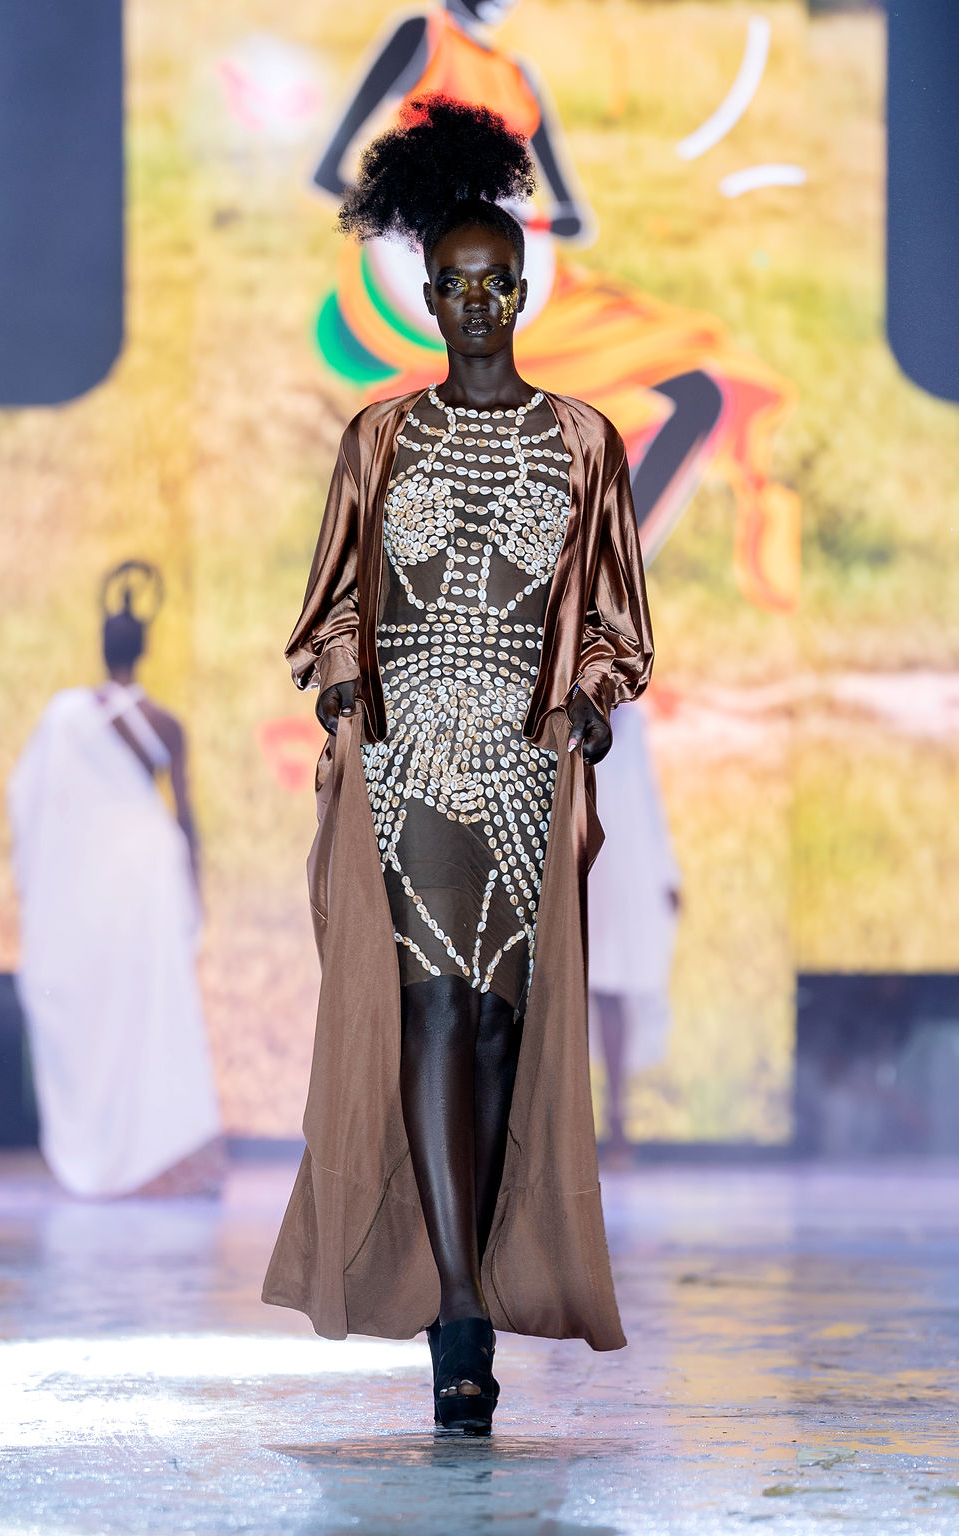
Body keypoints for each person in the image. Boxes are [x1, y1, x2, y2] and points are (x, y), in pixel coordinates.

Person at [262, 99, 653, 1434]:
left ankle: (465, 1267)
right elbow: (329, 606)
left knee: (496, 1025)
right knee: (431, 1006)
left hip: (529, 770)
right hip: (411, 758)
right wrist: (345, 679)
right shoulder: (377, 439)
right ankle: (460, 1316)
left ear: (523, 290)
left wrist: (589, 702)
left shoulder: (586, 442)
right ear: (426, 296)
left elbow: (617, 627)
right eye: (455, 285)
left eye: (497, 283)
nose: (477, 305)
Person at [311, 0, 800, 613]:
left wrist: (532, 218)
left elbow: (573, 217)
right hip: (434, 303)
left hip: (534, 296)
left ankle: (597, 595)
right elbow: (328, 173)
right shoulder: (424, 37)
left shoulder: (518, 78)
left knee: (700, 389)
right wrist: (406, 221)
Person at [8, 561, 225, 1199]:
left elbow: (31, 799)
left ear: (103, 646)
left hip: (99, 885)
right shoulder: (164, 723)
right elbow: (185, 818)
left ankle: (108, 1146)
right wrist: (194, 886)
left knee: (109, 1005)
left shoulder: (66, 716)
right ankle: (155, 1154)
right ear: (144, 647)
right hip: (150, 879)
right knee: (149, 1008)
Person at [588, 700, 681, 1166]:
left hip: (623, 866)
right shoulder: (559, 701)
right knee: (573, 995)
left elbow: (647, 798)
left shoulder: (632, 717)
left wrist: (667, 871)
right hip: (574, 859)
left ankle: (616, 1120)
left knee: (612, 987)